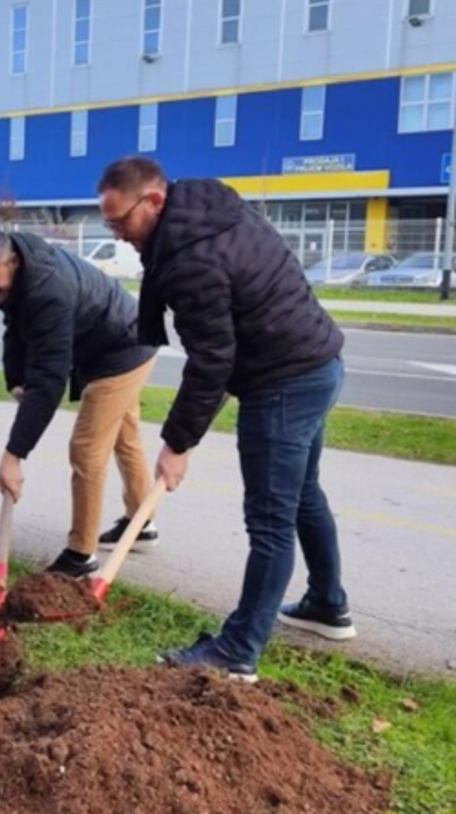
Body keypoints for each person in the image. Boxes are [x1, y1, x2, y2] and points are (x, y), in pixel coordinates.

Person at [96, 156, 353, 683]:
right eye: (110, 225)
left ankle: (238, 651)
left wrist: (177, 444)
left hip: (282, 382)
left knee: (270, 520)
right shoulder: (207, 208)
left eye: (121, 221)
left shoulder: (191, 261)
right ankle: (328, 605)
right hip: (319, 363)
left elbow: (213, 360)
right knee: (304, 495)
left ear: (156, 201)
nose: (118, 235)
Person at [0, 230, 160, 578]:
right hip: (113, 336)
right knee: (125, 439)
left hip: (122, 348)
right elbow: (16, 323)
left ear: (14, 262)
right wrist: (16, 378)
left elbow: (50, 379)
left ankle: (80, 556)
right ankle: (141, 524)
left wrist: (14, 455)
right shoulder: (21, 271)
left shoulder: (47, 290)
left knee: (86, 449)